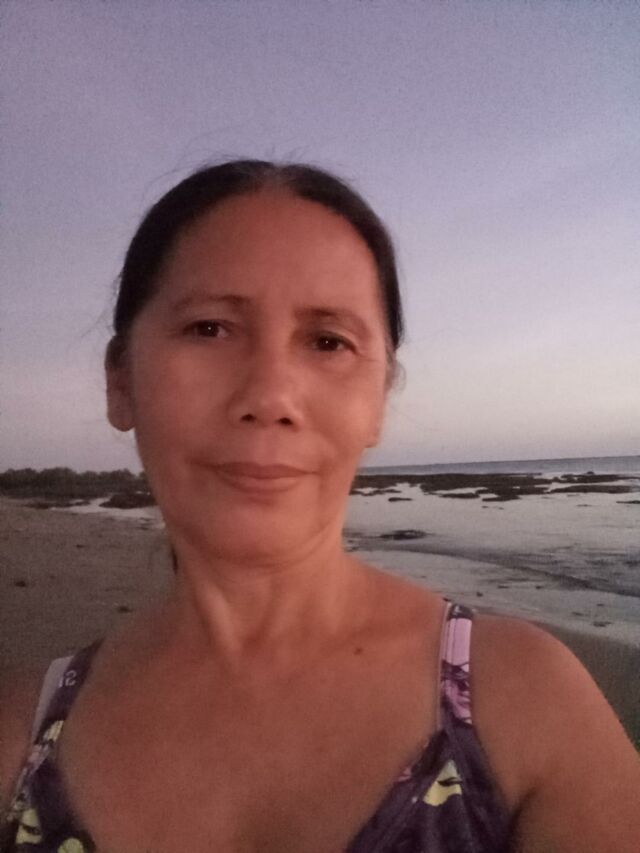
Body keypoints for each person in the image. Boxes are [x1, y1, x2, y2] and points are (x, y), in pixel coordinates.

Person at [1, 160, 638, 853]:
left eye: (329, 341)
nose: (271, 395)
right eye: (210, 328)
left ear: (379, 401)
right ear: (120, 381)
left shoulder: (522, 700)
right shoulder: (19, 736)